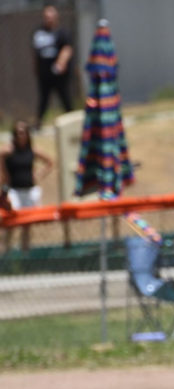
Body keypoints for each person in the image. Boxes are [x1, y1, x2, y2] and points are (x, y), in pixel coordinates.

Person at [1, 121, 54, 254]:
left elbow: (50, 161)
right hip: (14, 190)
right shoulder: (9, 151)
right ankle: (6, 252)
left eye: (23, 132)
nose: (21, 135)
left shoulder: (31, 150)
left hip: (29, 190)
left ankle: (25, 252)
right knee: (11, 222)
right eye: (18, 133)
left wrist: (38, 175)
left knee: (26, 225)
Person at [32, 5, 74, 127]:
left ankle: (72, 122)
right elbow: (35, 53)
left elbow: (67, 49)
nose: (48, 19)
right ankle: (38, 124)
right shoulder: (38, 33)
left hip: (60, 74)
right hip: (44, 74)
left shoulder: (62, 32)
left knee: (65, 98)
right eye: (46, 17)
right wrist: (35, 69)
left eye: (51, 17)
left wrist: (61, 63)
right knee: (43, 99)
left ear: (56, 17)